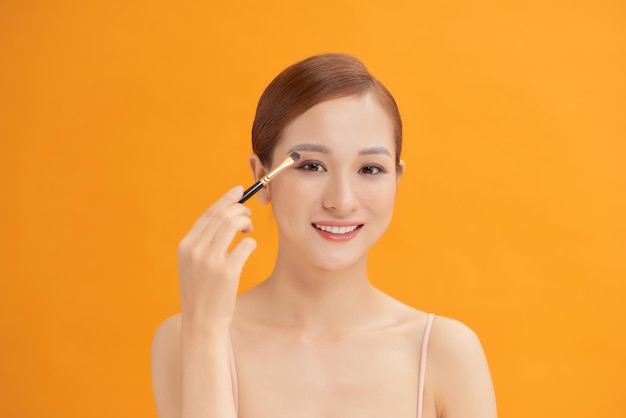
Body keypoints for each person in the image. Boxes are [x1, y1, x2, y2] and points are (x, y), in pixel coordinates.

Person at [151, 53, 497, 418]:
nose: (342, 201)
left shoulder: (445, 352)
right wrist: (206, 330)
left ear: (396, 178)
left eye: (370, 168)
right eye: (312, 166)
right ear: (261, 178)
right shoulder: (184, 339)